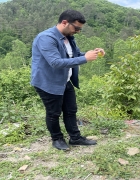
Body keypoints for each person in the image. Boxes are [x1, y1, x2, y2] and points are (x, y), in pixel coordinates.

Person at [31, 9, 105, 150]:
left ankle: (75, 138)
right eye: (76, 28)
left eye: (79, 29)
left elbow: (74, 55)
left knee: (71, 110)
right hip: (48, 82)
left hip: (65, 80)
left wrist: (92, 53)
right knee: (54, 113)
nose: (77, 31)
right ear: (65, 22)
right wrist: (84, 59)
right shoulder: (46, 38)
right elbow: (56, 62)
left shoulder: (68, 38)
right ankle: (57, 139)